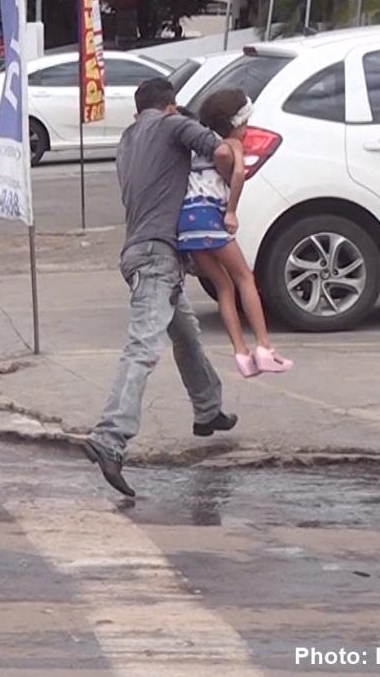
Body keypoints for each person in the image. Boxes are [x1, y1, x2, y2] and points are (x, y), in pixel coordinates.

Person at [82, 78, 239, 498]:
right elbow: (222, 151)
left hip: (142, 253)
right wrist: (231, 192)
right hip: (156, 257)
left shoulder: (128, 140)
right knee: (143, 347)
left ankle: (209, 410)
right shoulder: (172, 126)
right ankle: (109, 438)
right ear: (170, 107)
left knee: (186, 334)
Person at [179, 88, 293, 378]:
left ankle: (241, 353)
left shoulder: (195, 147)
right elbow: (239, 173)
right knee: (245, 278)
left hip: (187, 223)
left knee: (223, 286)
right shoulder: (229, 144)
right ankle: (264, 347)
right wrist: (231, 210)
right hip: (211, 217)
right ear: (237, 123)